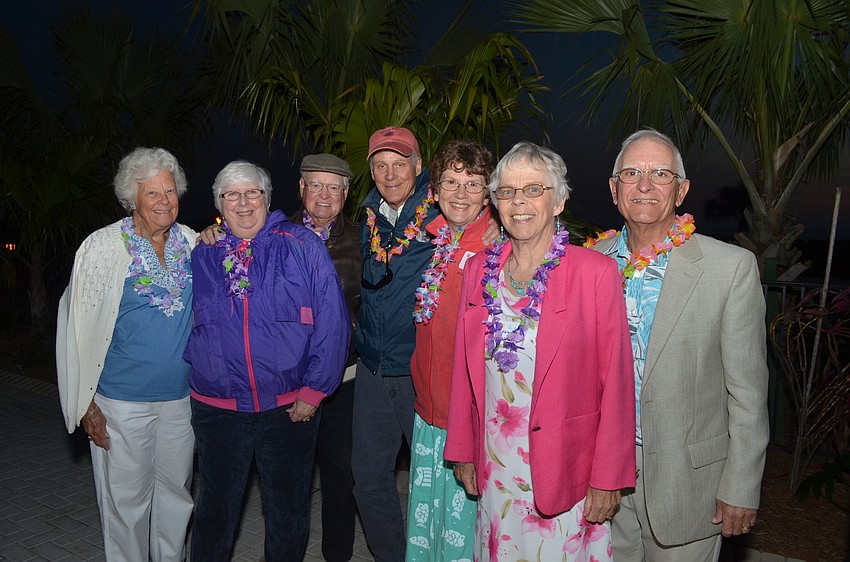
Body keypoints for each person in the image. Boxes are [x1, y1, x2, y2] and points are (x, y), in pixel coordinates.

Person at [444, 141, 636, 561]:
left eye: (534, 189)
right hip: (496, 464)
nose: (520, 202)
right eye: (508, 192)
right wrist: (462, 450)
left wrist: (608, 478)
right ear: (495, 203)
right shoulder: (479, 270)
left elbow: (618, 384)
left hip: (567, 467)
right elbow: (465, 370)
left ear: (559, 199)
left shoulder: (595, 273)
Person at [585, 128, 769, 562]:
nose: (645, 185)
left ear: (681, 190)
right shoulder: (588, 264)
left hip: (689, 483)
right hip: (601, 472)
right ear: (614, 190)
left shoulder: (730, 269)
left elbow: (747, 393)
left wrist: (741, 486)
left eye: (660, 174)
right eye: (631, 173)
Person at [184, 161, 349, 562]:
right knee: (214, 512)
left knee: (287, 513)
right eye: (231, 195)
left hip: (288, 408)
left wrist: (314, 391)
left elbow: (333, 321)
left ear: (268, 198)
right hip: (217, 410)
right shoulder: (202, 254)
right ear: (219, 204)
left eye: (252, 192)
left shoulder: (301, 244)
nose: (243, 203)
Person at [56, 147, 196, 561]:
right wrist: (84, 404)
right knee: (125, 505)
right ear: (130, 198)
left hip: (182, 400)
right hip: (119, 402)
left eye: (170, 191)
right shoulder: (101, 248)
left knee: (177, 498)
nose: (164, 201)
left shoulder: (190, 241)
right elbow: (75, 329)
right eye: (152, 193)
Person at [352, 126, 441, 561]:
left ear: (418, 166)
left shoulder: (443, 214)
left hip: (418, 371)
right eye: (380, 165)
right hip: (371, 369)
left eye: (399, 164)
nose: (390, 175)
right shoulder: (368, 218)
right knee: (367, 478)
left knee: (433, 483)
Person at [405, 140, 495, 561]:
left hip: (470, 417)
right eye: (451, 182)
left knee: (464, 538)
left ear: (488, 192)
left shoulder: (498, 246)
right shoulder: (431, 239)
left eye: (472, 184)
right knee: (427, 530)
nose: (460, 193)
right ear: (435, 191)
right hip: (428, 411)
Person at [290, 153, 361, 562]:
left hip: (345, 383)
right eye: (315, 184)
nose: (323, 194)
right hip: (289, 385)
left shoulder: (362, 237)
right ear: (300, 189)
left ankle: (338, 555)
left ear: (345, 195)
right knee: (291, 481)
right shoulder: (275, 233)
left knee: (340, 478)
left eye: (333, 187)